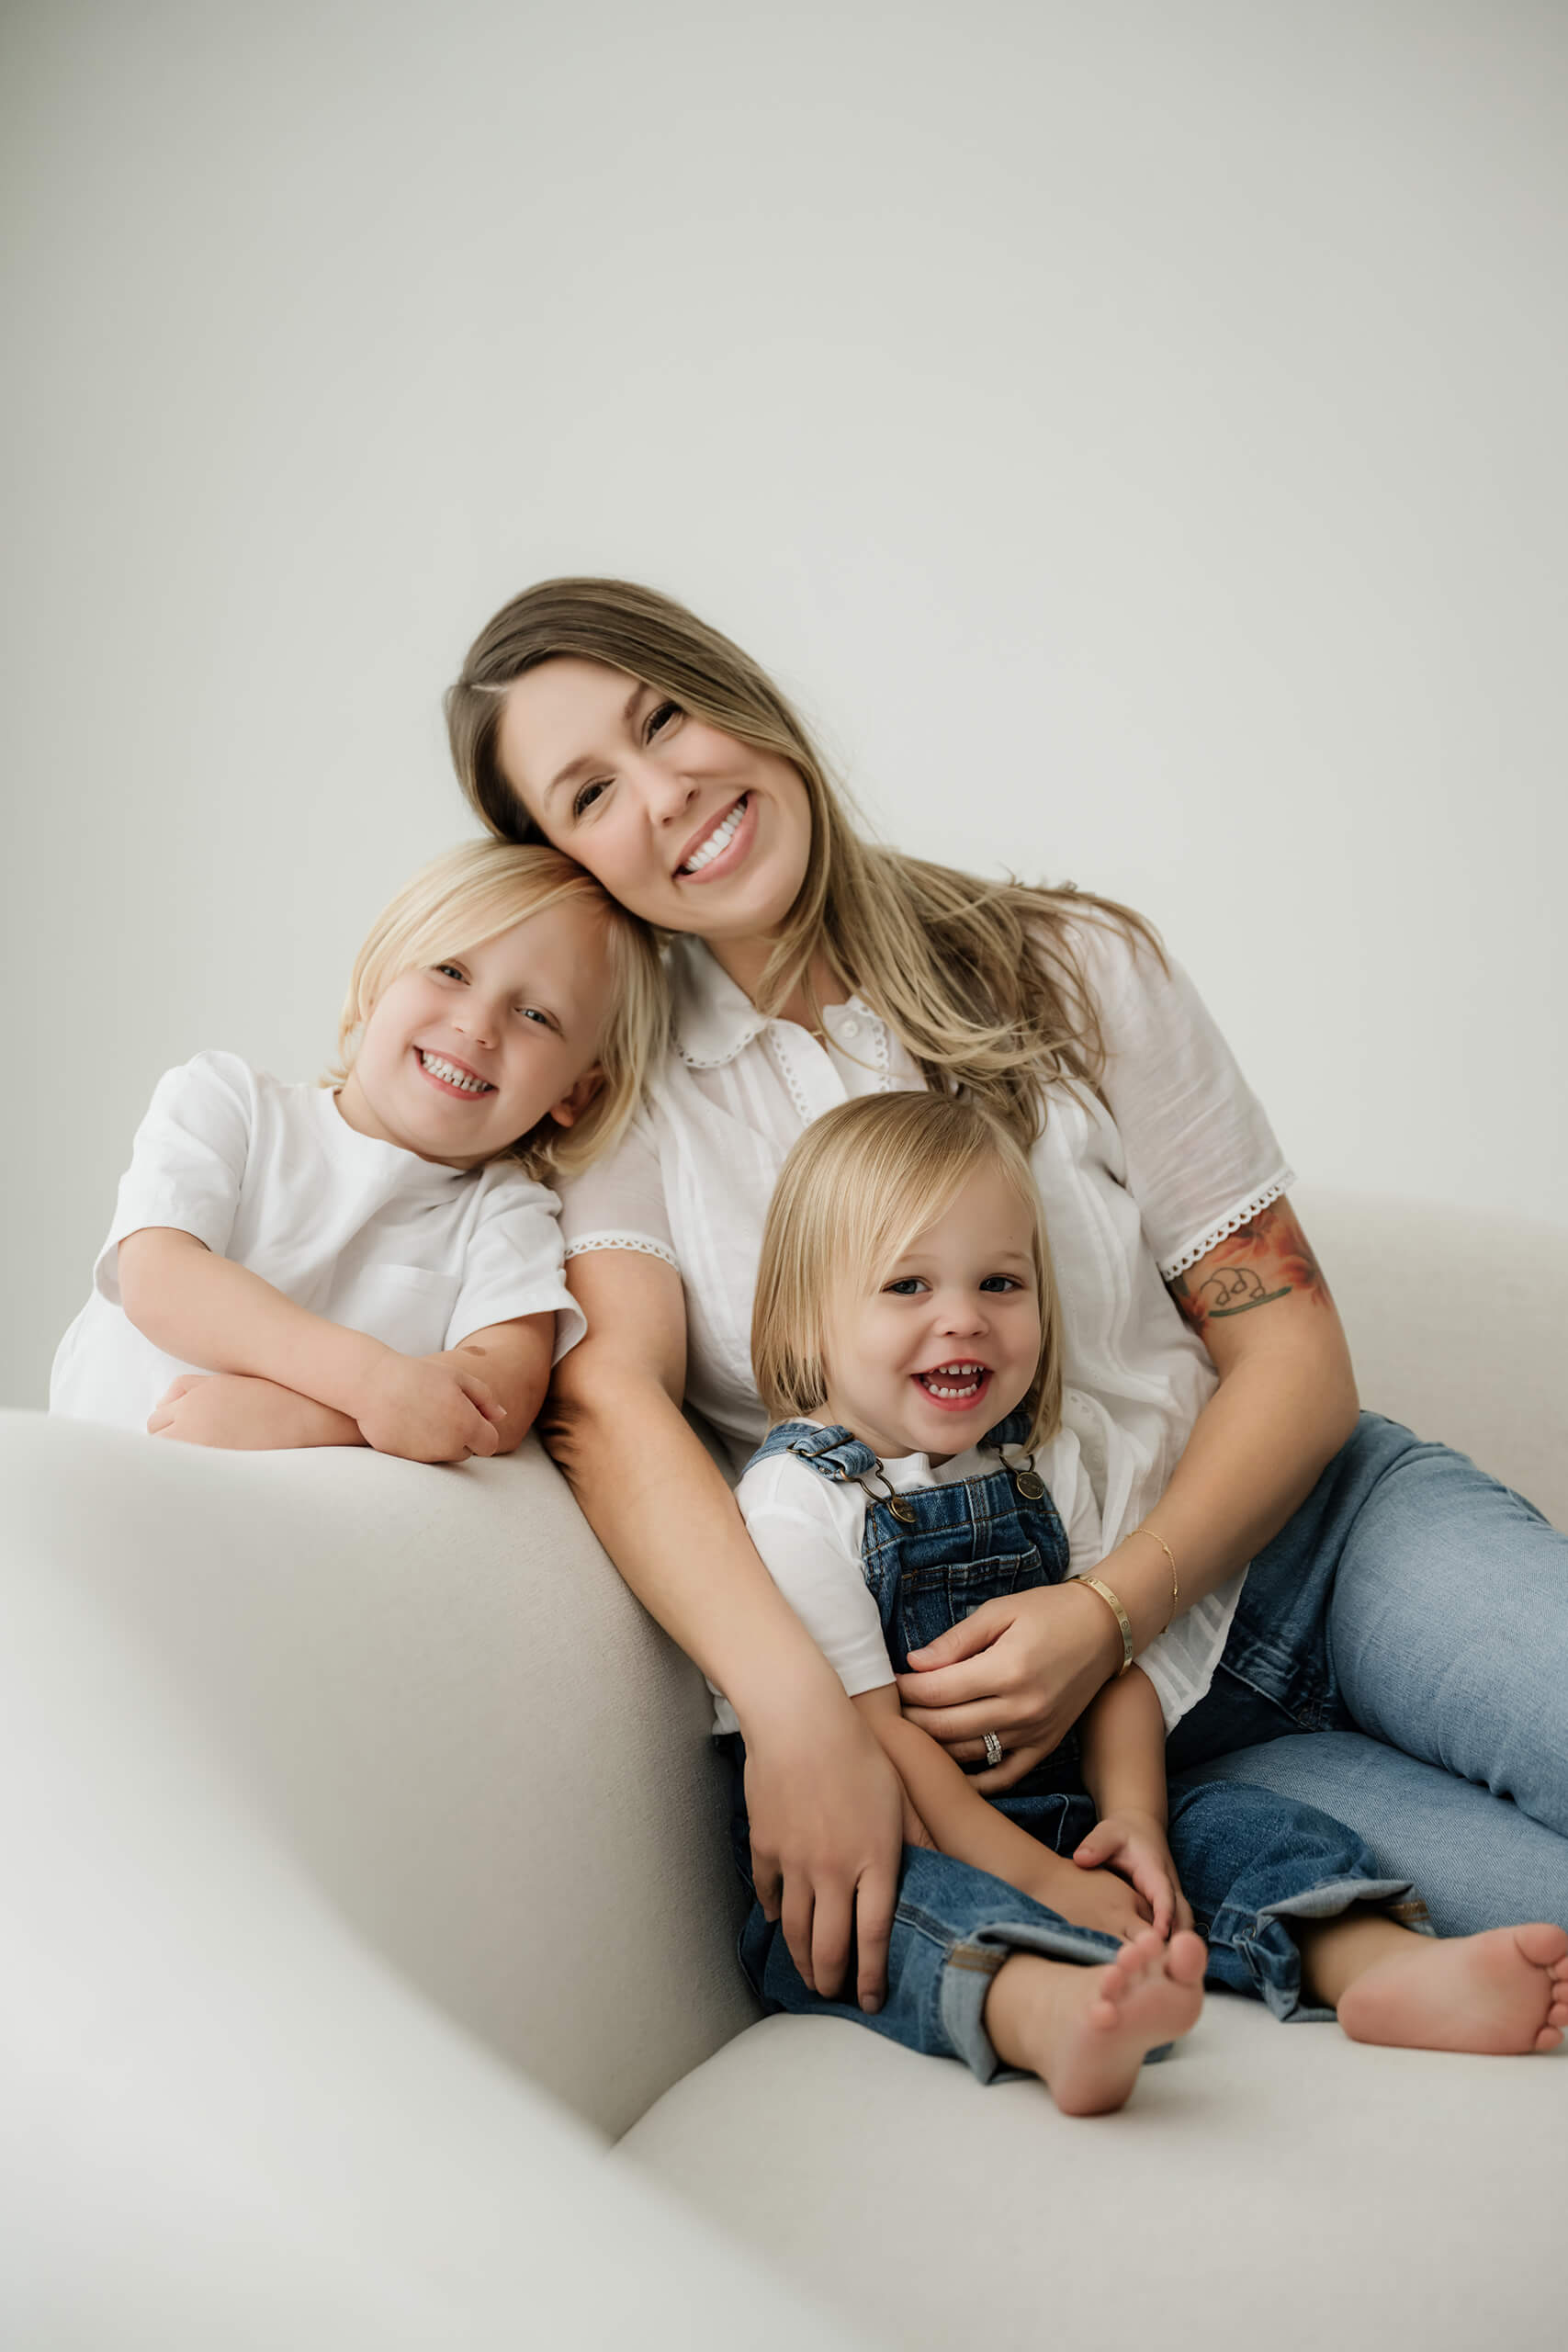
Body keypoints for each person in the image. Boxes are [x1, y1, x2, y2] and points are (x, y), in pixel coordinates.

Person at [446, 575, 1568, 2016]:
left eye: (667, 718)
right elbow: (609, 1407)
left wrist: (1103, 1610)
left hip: (1318, 1546)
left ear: (741, 695)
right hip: (1126, 1768)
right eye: (591, 791)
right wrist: (795, 1711)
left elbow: (1286, 1341)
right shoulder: (623, 1106)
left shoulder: (1071, 964)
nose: (665, 796)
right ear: (563, 858)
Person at [723, 1089, 1567, 2111]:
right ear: (808, 1314)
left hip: (1076, 1802)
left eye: (1001, 1281)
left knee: (1240, 1829)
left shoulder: (1042, 1464)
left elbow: (1109, 1659)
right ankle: (1048, 2012)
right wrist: (1046, 1886)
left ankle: (1381, 1966)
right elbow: (882, 1752)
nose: (964, 1318)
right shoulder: (800, 1498)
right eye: (907, 1285)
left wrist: (1133, 1822)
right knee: (897, 1911)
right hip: (904, 1826)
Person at [51, 841, 665, 1461]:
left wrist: (305, 1418)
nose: (477, 1026)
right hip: (102, 1488)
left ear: (575, 1094)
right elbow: (160, 1280)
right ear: (376, 983)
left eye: (535, 1014)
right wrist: (368, 1383)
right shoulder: (229, 1101)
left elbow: (500, 1396)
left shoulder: (505, 1214)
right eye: (450, 972)